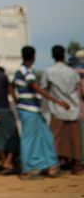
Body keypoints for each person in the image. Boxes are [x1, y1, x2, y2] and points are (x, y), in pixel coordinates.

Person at [13, 45, 68, 179]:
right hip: (29, 110)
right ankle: (27, 171)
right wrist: (57, 101)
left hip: (32, 110)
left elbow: (11, 86)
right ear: (34, 57)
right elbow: (34, 86)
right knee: (30, 140)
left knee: (46, 136)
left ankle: (50, 166)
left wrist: (17, 101)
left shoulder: (22, 70)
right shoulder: (26, 71)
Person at [40, 45, 81, 174]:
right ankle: (77, 166)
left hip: (57, 109)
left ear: (52, 56)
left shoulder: (48, 71)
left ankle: (54, 165)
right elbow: (78, 88)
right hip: (73, 109)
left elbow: (43, 89)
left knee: (55, 138)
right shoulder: (72, 71)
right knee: (74, 139)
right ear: (64, 55)